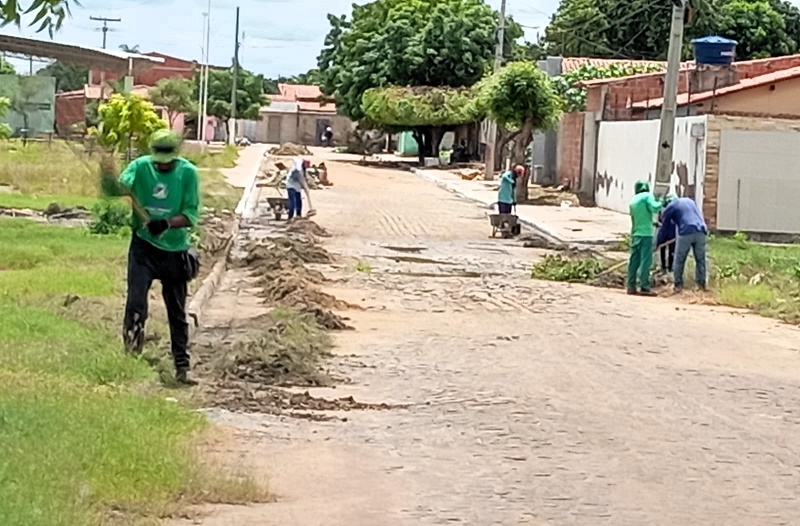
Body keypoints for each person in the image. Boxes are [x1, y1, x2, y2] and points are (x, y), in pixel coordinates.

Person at [118, 129, 200, 385]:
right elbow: (121, 185)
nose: (162, 165)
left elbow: (190, 215)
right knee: (136, 302)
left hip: (175, 250)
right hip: (143, 248)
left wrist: (165, 223)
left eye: (167, 160)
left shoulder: (188, 173)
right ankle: (131, 358)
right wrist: (114, 182)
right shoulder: (140, 166)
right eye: (158, 160)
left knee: (176, 311)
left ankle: (182, 366)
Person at [661, 196, 708, 292]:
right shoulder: (690, 201)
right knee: (700, 259)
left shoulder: (671, 206)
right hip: (701, 230)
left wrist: (659, 242)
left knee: (679, 259)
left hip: (686, 231)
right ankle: (701, 285)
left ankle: (678, 285)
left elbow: (664, 227)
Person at [627, 180, 662, 296]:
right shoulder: (647, 196)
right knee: (645, 261)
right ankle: (644, 286)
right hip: (646, 234)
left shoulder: (633, 200)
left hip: (635, 234)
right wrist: (661, 201)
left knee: (634, 261)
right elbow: (655, 208)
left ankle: (631, 286)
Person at [656, 194, 678, 274]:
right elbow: (659, 220)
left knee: (667, 250)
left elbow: (659, 221)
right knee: (668, 250)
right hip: (668, 231)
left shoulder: (664, 209)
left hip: (667, 231)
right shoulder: (674, 209)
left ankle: (667, 268)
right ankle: (666, 268)